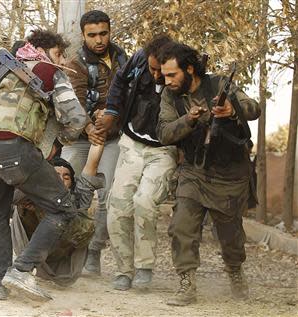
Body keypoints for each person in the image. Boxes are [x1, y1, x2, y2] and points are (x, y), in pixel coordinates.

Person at [0, 29, 88, 301]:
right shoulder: (48, 70)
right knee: (63, 208)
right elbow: (76, 118)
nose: (62, 61)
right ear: (49, 51)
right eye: (59, 54)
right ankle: (21, 270)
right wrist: (64, 137)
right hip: (15, 150)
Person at [156, 42, 261, 306]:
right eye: (164, 75)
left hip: (229, 175)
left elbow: (254, 108)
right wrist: (189, 119)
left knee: (230, 237)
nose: (166, 80)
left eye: (172, 75)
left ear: (189, 69)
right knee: (181, 226)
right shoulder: (170, 97)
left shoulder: (219, 84)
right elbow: (165, 133)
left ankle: (235, 272)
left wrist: (232, 110)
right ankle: (186, 283)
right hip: (194, 170)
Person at [95, 35, 177, 291]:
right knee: (117, 202)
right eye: (151, 68)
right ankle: (123, 270)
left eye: (159, 71)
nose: (155, 75)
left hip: (163, 150)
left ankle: (144, 267)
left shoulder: (180, 72)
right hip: (132, 142)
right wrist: (112, 111)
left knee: (144, 201)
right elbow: (119, 81)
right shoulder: (140, 59)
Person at [62, 10, 127, 275]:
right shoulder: (75, 61)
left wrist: (110, 120)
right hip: (79, 138)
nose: (99, 40)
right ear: (83, 35)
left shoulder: (123, 59)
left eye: (103, 33)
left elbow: (128, 98)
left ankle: (93, 252)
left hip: (111, 138)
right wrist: (90, 126)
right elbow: (73, 100)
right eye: (92, 35)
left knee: (108, 196)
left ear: (110, 32)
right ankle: (63, 252)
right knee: (65, 192)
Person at [11, 144, 105, 287]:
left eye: (66, 177)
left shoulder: (79, 196)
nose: (61, 180)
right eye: (55, 176)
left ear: (72, 183)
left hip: (62, 257)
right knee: (21, 200)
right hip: (30, 248)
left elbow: (92, 163)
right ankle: (20, 267)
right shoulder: (32, 195)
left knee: (83, 220)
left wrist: (98, 136)